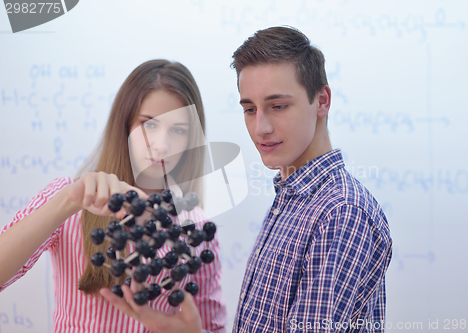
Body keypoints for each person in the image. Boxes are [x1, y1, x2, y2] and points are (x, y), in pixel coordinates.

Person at [101, 26, 392, 333]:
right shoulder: (294, 200)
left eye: (278, 106)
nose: (260, 127)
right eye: (250, 109)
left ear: (321, 101)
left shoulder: (340, 213)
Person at [0, 59, 226, 333]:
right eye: (149, 124)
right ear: (125, 125)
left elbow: (210, 327)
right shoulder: (72, 199)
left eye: (178, 131)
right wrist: (67, 202)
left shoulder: (197, 227)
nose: (162, 145)